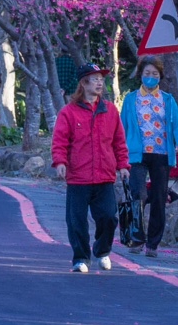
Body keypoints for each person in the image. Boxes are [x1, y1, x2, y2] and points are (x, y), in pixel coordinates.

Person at [51, 69, 128, 272]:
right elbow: (59, 140)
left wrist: (123, 165)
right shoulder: (69, 112)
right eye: (95, 80)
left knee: (109, 217)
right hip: (78, 176)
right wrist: (60, 162)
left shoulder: (110, 110)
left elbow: (119, 141)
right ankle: (81, 258)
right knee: (76, 220)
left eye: (101, 80)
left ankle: (102, 251)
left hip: (105, 176)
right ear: (84, 83)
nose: (99, 83)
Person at [119, 58, 178, 257]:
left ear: (160, 76)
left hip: (161, 153)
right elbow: (122, 127)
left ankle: (153, 244)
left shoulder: (168, 99)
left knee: (159, 197)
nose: (151, 77)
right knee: (137, 195)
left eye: (155, 74)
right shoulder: (131, 99)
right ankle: (137, 239)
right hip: (136, 154)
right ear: (140, 75)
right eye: (147, 73)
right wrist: (119, 153)